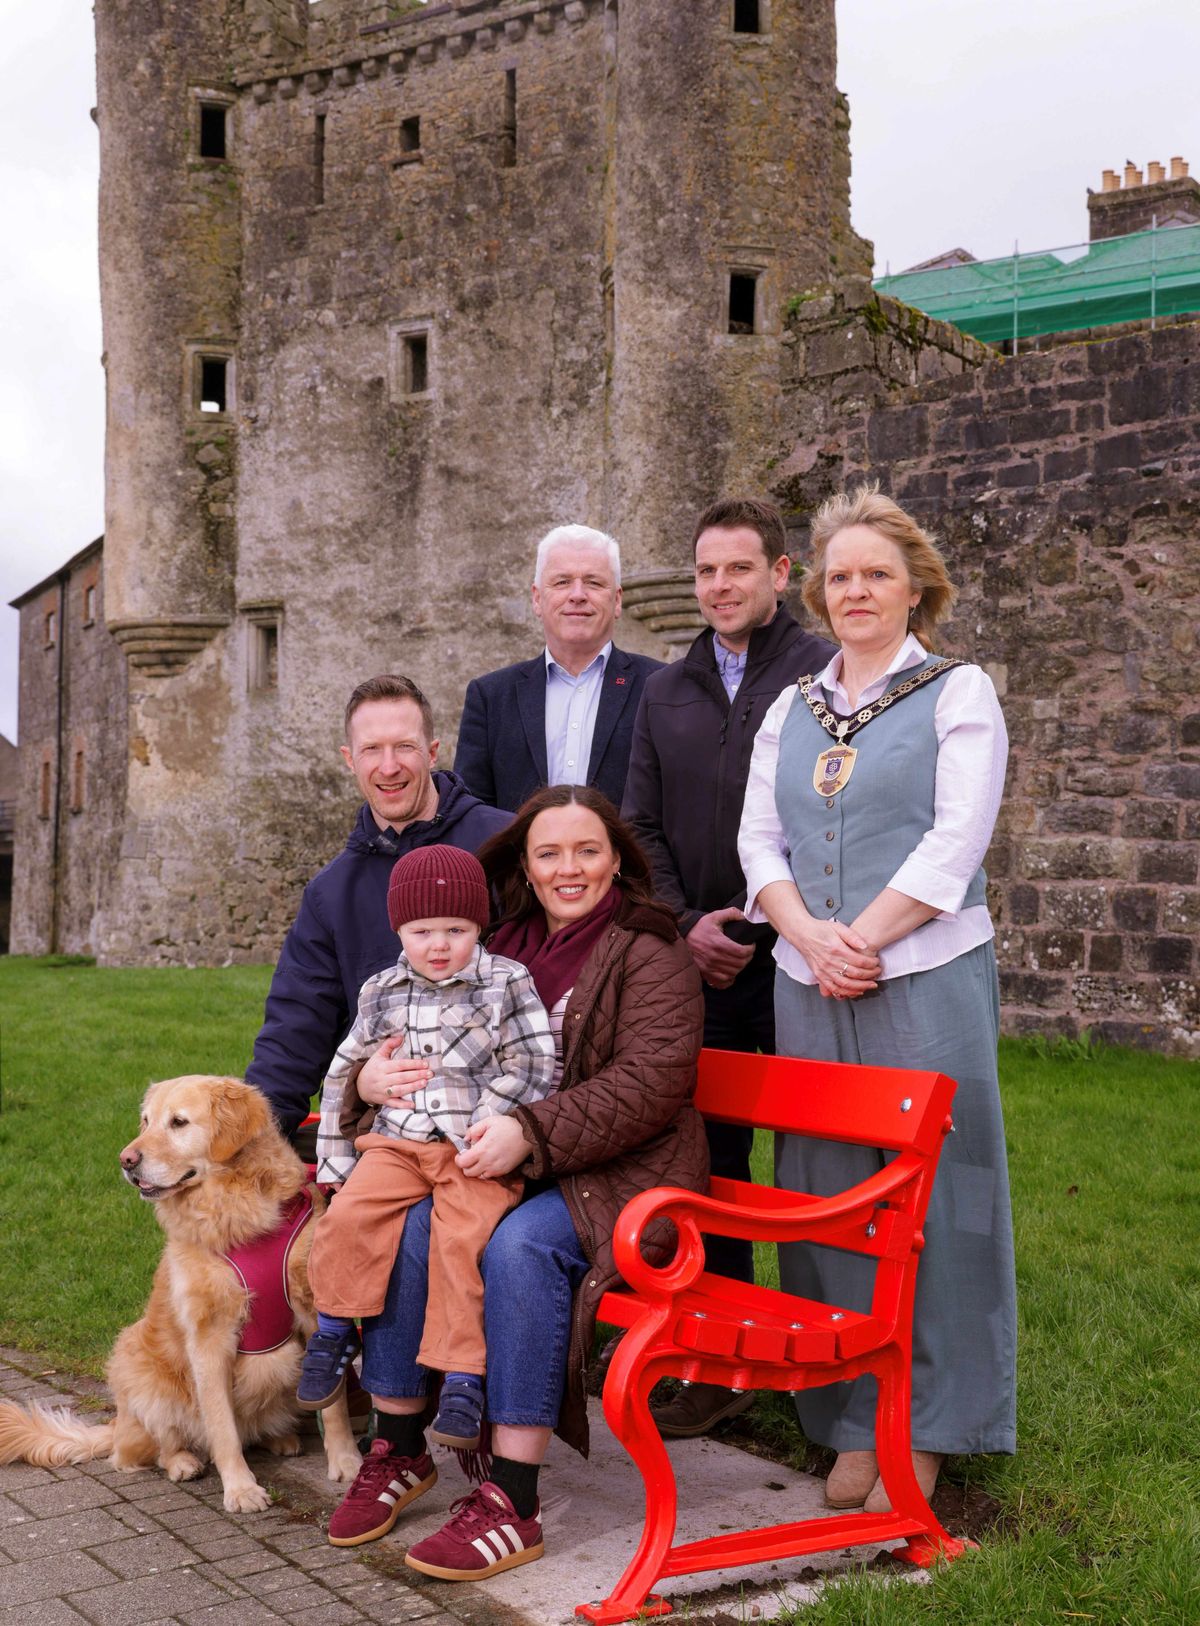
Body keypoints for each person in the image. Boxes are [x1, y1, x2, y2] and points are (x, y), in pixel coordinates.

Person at [323, 786, 708, 1576]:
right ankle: (397, 1446)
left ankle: (513, 1498)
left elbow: (652, 1080)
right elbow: (407, 1034)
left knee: (520, 1252)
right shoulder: (497, 943)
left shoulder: (651, 943)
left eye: (587, 850)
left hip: (622, 1175)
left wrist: (526, 1134)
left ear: (616, 859)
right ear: (525, 868)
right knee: (411, 1220)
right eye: (549, 853)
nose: (570, 869)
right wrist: (366, 1082)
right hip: (497, 1157)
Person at [738, 484, 1017, 1514]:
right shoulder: (792, 706)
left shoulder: (958, 692)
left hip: (923, 979)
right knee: (825, 1195)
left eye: (877, 575)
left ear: (915, 591)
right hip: (809, 979)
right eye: (840, 576)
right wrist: (807, 935)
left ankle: (932, 1422)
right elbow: (757, 841)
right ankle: (851, 1415)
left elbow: (957, 840)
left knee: (934, 1199)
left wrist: (862, 938)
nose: (856, 590)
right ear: (818, 592)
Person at [622, 497, 835, 1436]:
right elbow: (638, 825)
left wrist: (757, 920)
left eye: (739, 569)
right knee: (705, 1162)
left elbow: (824, 822)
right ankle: (721, 1355)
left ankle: (826, 1359)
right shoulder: (667, 690)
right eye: (706, 570)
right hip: (692, 963)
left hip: (792, 957)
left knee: (809, 1163)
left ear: (780, 573)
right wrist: (681, 926)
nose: (719, 586)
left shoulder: (822, 672)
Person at [298, 846, 557, 1451]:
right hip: (398, 1144)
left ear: (480, 927)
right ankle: (336, 1330)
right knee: (348, 1218)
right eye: (421, 931)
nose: (439, 945)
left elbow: (537, 1062)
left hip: (472, 1150)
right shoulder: (381, 991)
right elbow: (344, 1071)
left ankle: (463, 1376)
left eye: (456, 930)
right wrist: (337, 1163)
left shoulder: (505, 982)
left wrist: (494, 1118)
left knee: (461, 1247)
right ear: (399, 931)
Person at [247, 676, 511, 1145]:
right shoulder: (332, 893)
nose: (389, 767)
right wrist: (253, 1140)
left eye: (404, 747)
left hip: (497, 1119)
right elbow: (296, 1025)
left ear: (432, 753)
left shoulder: (505, 844)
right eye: (372, 750)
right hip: (389, 1128)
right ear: (351, 761)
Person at [453, 524, 662, 812]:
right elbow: (471, 812)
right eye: (562, 582)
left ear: (616, 600)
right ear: (537, 599)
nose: (577, 594)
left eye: (594, 582)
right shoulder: (490, 697)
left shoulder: (661, 686)